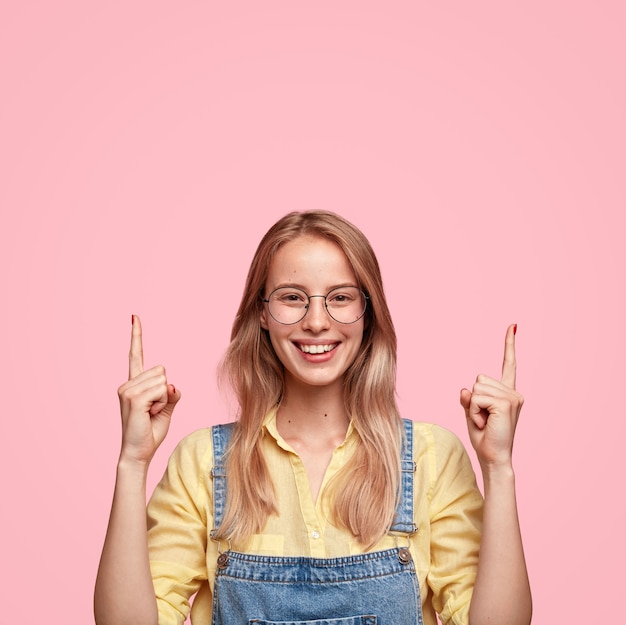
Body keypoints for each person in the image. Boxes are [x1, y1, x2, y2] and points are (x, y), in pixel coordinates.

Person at [94, 210, 532, 625]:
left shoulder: (433, 459)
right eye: (292, 298)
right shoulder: (203, 464)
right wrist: (132, 463)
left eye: (340, 298)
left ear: (368, 313)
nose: (317, 322)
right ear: (262, 313)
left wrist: (499, 468)